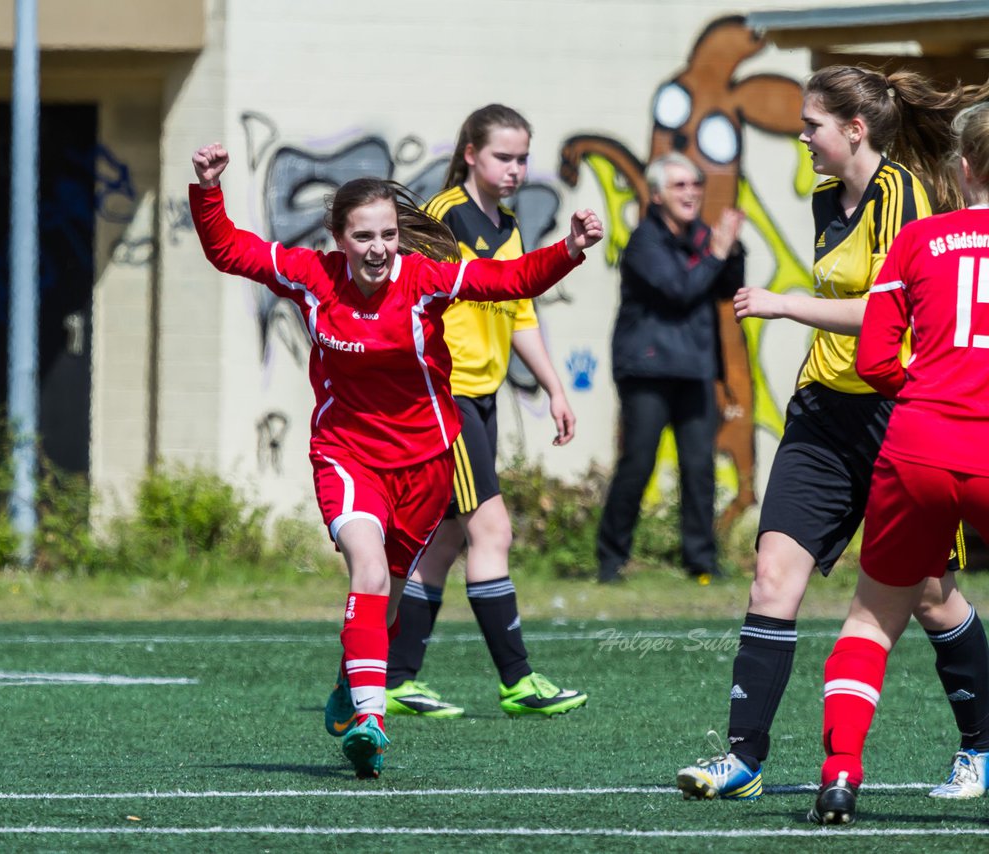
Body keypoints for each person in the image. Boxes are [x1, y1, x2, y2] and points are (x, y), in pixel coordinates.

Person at [189, 142, 602, 778]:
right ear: (338, 237)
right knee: (367, 566)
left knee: (386, 595)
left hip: (427, 462)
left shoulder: (425, 279)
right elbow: (229, 251)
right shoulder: (310, 274)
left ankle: (350, 680)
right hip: (347, 455)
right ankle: (371, 722)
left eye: (387, 234)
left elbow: (509, 281)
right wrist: (209, 188)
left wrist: (570, 248)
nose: (379, 248)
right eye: (363, 236)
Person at [676, 65, 989, 803]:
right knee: (771, 577)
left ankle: (979, 748)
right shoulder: (826, 199)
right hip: (823, 409)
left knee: (931, 596)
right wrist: (802, 310)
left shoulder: (907, 200)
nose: (802, 137)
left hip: (901, 411)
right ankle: (744, 758)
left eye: (812, 123)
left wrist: (789, 306)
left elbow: (900, 314)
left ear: (854, 129)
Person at [810, 101, 989, 826]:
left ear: (964, 167)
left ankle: (841, 775)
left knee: (870, 621)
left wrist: (928, 397)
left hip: (917, 443)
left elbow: (876, 358)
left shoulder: (917, 241)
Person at [382, 104, 587, 720]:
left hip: (484, 397)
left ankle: (394, 676)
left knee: (443, 541)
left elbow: (519, 308)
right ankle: (518, 680)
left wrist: (553, 385)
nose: (516, 169)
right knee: (491, 531)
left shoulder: (507, 224)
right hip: (447, 397)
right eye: (504, 156)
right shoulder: (441, 218)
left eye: (524, 158)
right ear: (470, 153)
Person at [595, 152, 744, 585]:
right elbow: (679, 290)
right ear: (657, 195)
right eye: (680, 185)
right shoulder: (645, 242)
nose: (691, 193)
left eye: (696, 184)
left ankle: (701, 560)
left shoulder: (703, 237)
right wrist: (717, 252)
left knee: (699, 467)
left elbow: (726, 289)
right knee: (638, 463)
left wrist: (731, 250)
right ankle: (610, 558)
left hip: (695, 369)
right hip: (648, 371)